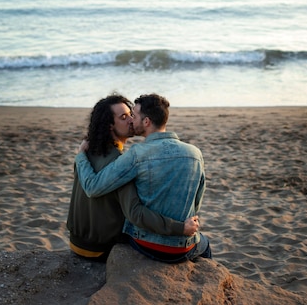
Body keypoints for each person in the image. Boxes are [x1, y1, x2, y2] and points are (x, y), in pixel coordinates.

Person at [75, 93, 211, 263]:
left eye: (134, 115)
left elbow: (94, 187)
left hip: (145, 243)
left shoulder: (136, 155)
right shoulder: (195, 153)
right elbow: (196, 200)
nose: (131, 120)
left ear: (146, 122)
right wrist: (183, 225)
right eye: (127, 116)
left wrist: (80, 155)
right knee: (205, 245)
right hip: (184, 245)